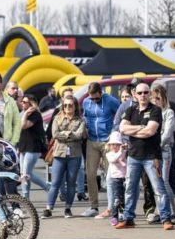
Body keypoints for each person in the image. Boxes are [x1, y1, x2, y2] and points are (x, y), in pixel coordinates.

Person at [117, 83, 173, 230]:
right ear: (135, 94)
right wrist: (141, 127)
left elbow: (150, 131)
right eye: (140, 93)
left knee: (158, 188)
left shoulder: (156, 110)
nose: (143, 95)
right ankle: (128, 218)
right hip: (133, 155)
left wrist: (134, 130)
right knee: (130, 187)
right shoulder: (130, 110)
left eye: (145, 92)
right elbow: (122, 128)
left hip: (151, 156)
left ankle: (166, 218)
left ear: (150, 94)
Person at [42, 95, 86, 219]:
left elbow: (79, 135)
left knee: (71, 183)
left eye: (70, 105)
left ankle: (68, 208)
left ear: (75, 106)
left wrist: (66, 133)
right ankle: (49, 208)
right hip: (59, 154)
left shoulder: (80, 120)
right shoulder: (57, 118)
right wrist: (70, 134)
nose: (67, 107)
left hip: (74, 155)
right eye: (65, 105)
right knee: (55, 182)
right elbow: (55, 134)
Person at [81, 82, 120, 217]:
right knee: (90, 174)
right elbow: (85, 116)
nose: (94, 101)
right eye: (92, 98)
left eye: (96, 98)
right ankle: (94, 206)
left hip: (107, 142)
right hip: (92, 140)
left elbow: (121, 115)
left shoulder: (111, 101)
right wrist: (85, 126)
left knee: (112, 175)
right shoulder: (86, 102)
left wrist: (114, 132)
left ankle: (114, 206)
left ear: (101, 92)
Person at [151, 85, 175, 224]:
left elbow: (167, 134)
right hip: (151, 151)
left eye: (158, 98)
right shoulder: (150, 112)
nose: (155, 101)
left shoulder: (169, 112)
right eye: (153, 98)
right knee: (156, 183)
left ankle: (173, 213)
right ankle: (161, 211)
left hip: (164, 150)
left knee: (165, 182)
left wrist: (156, 144)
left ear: (164, 98)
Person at [18, 94, 50, 200]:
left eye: (25, 102)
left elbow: (24, 125)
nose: (22, 103)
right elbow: (20, 131)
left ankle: (25, 197)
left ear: (31, 103)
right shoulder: (23, 113)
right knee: (26, 173)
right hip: (23, 146)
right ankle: (47, 188)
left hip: (33, 147)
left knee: (26, 174)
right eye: (22, 101)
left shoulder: (35, 114)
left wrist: (26, 113)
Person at [105, 131, 127, 226]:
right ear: (109, 146)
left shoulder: (122, 152)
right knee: (116, 199)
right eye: (112, 144)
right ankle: (114, 216)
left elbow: (125, 160)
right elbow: (113, 160)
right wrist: (121, 151)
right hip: (115, 179)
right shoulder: (109, 154)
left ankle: (122, 214)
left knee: (124, 198)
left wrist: (125, 149)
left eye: (117, 144)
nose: (115, 146)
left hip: (124, 178)